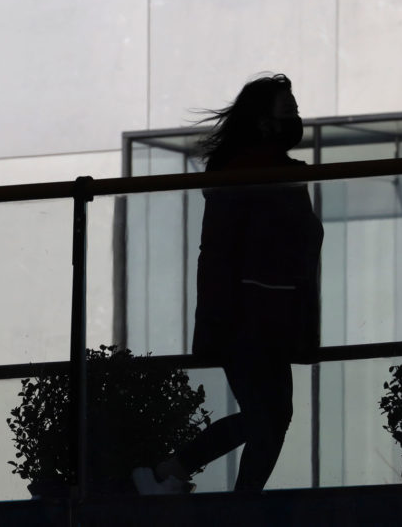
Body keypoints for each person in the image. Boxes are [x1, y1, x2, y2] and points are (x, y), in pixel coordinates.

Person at [132, 73, 324, 494]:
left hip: (275, 318)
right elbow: (219, 251)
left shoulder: (281, 174)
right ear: (262, 121)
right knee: (266, 417)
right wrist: (218, 320)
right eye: (288, 110)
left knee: (274, 417)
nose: (295, 118)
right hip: (246, 319)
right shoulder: (242, 175)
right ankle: (177, 475)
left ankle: (207, 489)